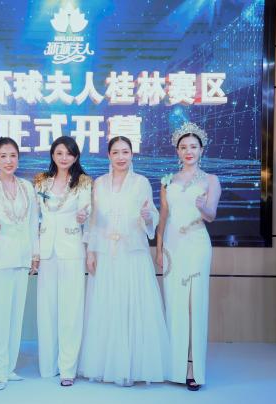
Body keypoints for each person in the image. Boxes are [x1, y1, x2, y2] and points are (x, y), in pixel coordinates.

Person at [78, 136, 169, 386]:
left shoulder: (141, 183)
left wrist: (147, 216)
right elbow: (93, 220)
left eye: (125, 152)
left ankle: (133, 366)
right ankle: (107, 365)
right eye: (116, 152)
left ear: (132, 155)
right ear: (108, 155)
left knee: (132, 305)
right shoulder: (98, 184)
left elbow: (152, 217)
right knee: (107, 305)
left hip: (133, 254)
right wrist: (90, 252)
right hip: (105, 253)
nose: (121, 157)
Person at [156, 122, 221, 391]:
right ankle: (175, 366)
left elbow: (211, 216)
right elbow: (163, 217)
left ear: (201, 150)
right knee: (175, 303)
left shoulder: (211, 180)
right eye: (183, 147)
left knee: (195, 304)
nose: (188, 151)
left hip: (196, 244)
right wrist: (158, 248)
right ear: (177, 151)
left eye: (193, 146)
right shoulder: (167, 180)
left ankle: (194, 367)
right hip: (172, 246)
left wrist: (202, 206)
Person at [0, 137, 39, 391]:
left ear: (18, 159)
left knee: (15, 315)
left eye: (13, 155)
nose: (8, 160)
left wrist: (35, 255)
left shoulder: (27, 187)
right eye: (3, 156)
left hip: (21, 258)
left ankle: (8, 367)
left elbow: (33, 223)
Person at [34, 136, 92, 387]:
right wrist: (35, 252)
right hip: (46, 251)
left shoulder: (84, 182)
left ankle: (68, 368)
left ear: (76, 156)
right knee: (47, 309)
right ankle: (48, 365)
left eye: (69, 153)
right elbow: (33, 219)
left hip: (71, 250)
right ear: (53, 155)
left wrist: (83, 217)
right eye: (59, 153)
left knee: (71, 310)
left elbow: (88, 213)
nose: (64, 157)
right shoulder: (40, 181)